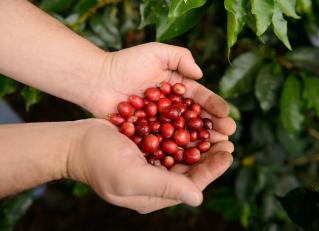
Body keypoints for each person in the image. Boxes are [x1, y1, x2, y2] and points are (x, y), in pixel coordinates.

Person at [0, 0, 236, 214]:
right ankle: (36, 190)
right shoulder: (156, 120)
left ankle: (36, 189)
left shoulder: (155, 118)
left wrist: (101, 74)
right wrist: (71, 152)